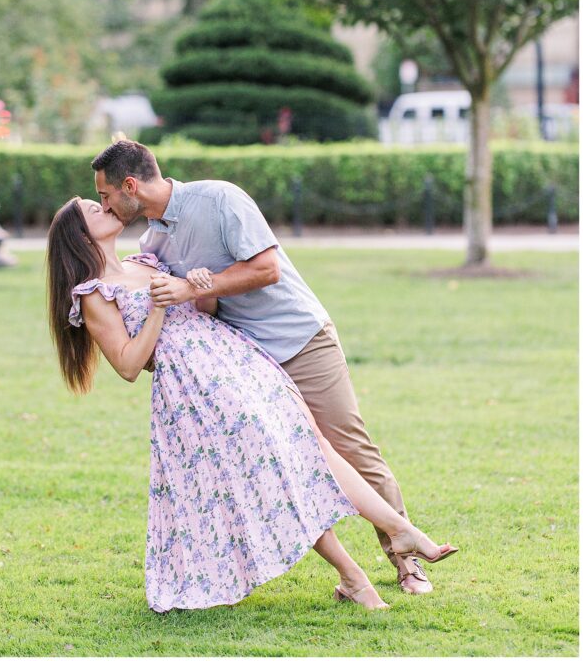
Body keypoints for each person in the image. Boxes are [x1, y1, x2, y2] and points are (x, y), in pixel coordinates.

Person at [46, 196, 457, 614]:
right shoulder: (94, 295)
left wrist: (199, 287)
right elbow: (130, 365)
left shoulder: (146, 261)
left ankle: (400, 532)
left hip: (238, 358)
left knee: (315, 448)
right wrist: (157, 308)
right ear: (81, 236)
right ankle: (356, 574)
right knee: (272, 469)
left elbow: (202, 310)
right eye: (92, 210)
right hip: (195, 388)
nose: (104, 207)